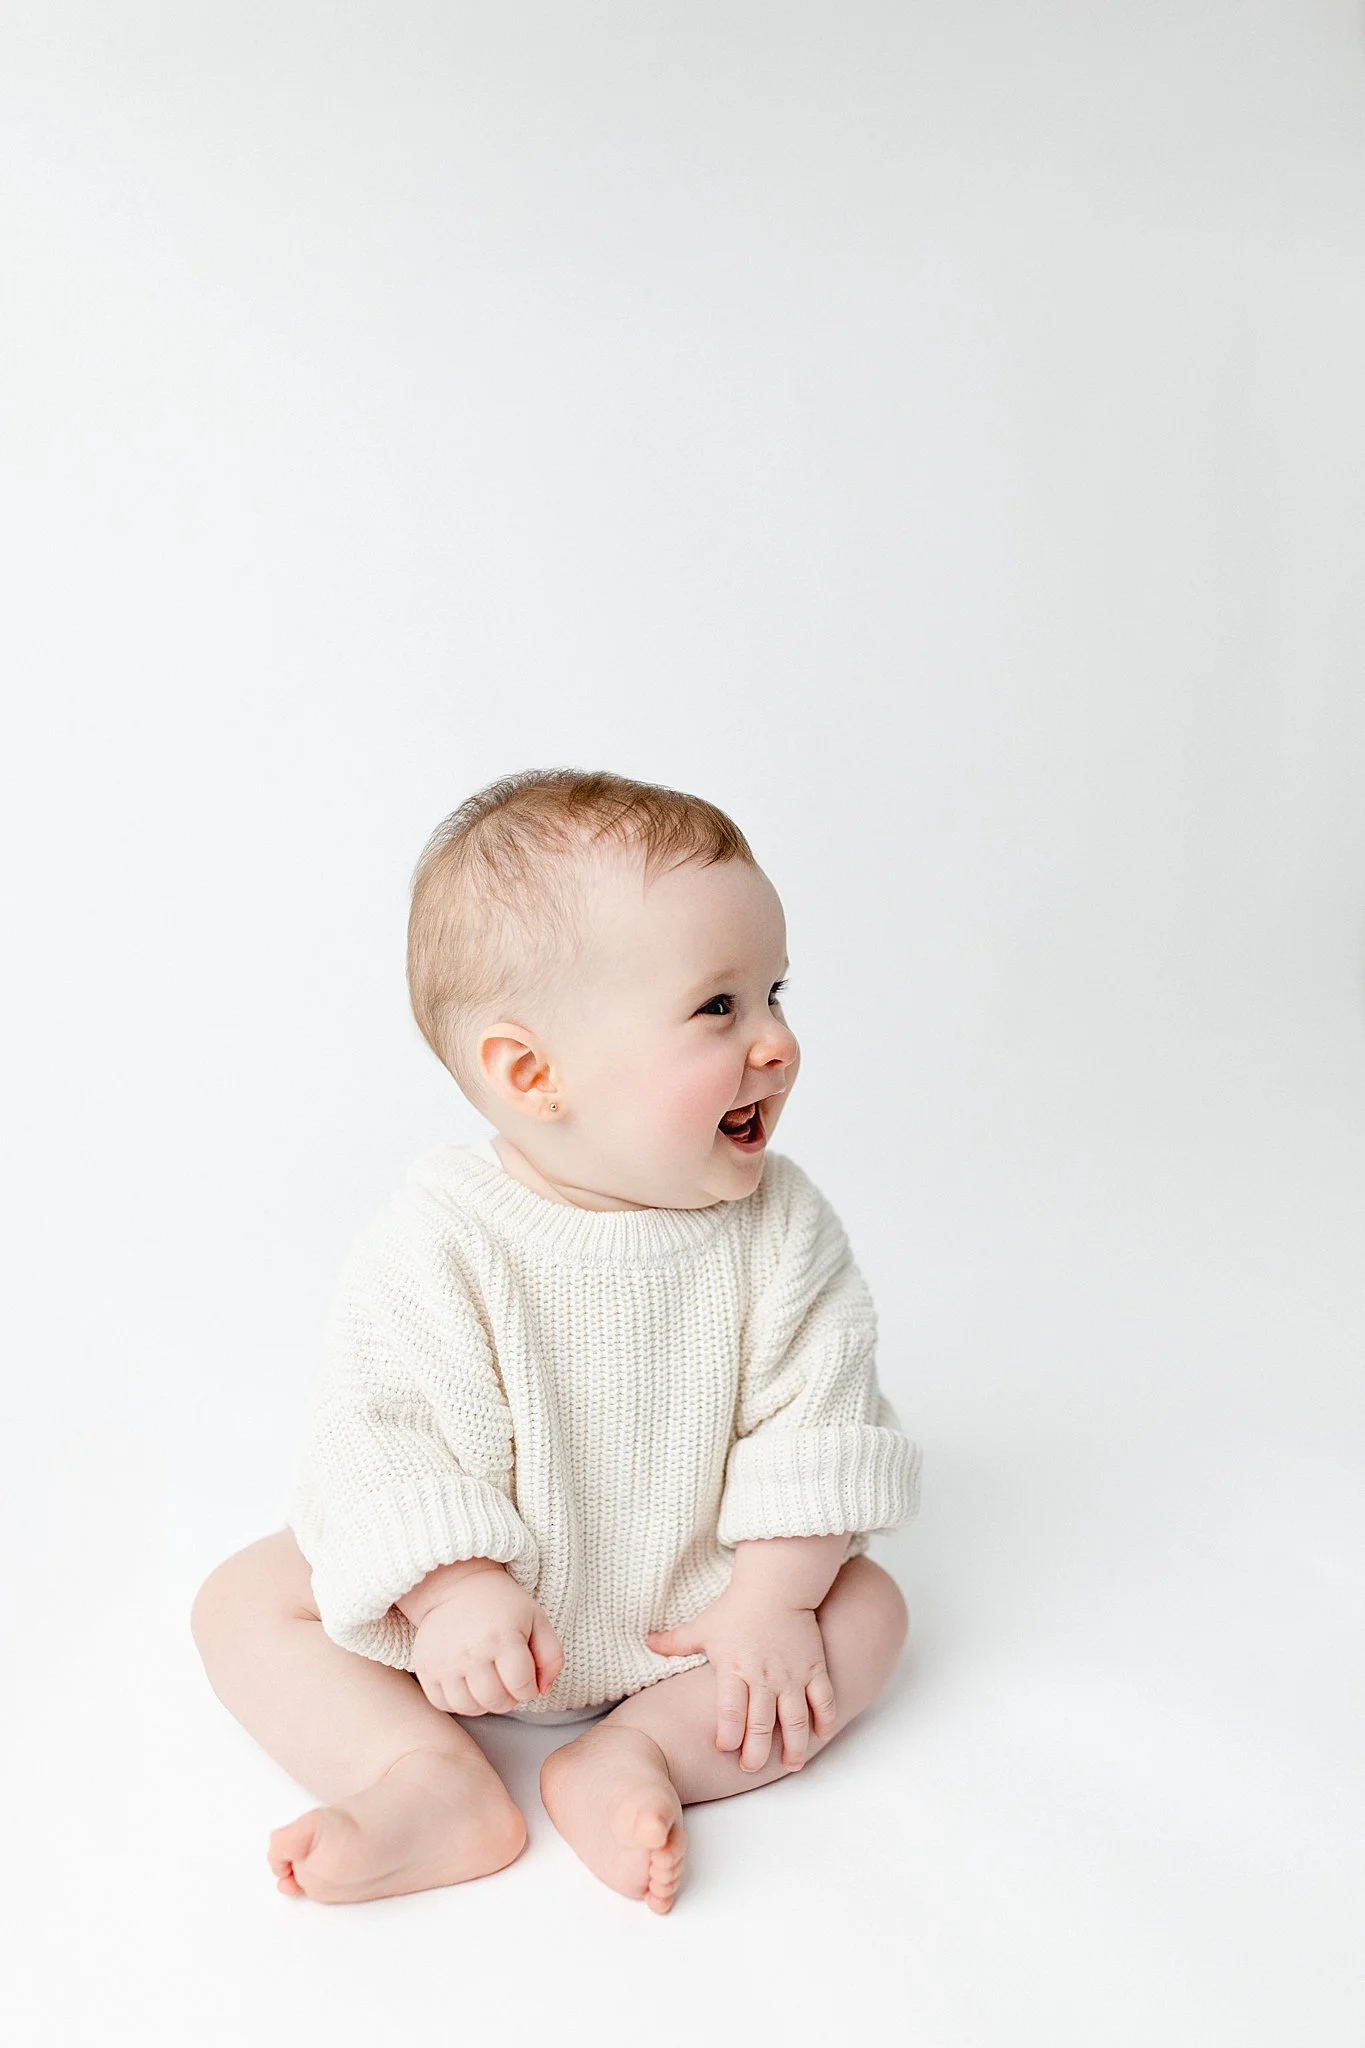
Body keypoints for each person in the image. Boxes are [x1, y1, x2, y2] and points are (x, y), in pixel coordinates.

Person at [189, 766, 921, 1914]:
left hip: (695, 1611)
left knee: (868, 1610)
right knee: (244, 1600)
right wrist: (449, 1589)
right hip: (482, 1629)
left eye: (774, 991)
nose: (776, 1041)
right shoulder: (442, 1236)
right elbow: (378, 1428)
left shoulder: (782, 1227)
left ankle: (645, 1752)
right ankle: (424, 1775)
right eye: (718, 1006)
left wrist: (777, 1597)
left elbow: (819, 1420)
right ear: (531, 1072)